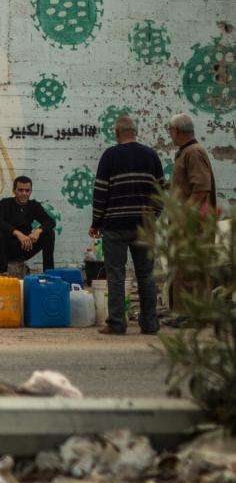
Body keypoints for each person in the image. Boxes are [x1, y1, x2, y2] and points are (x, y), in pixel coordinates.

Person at [91, 114, 164, 335]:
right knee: (146, 275)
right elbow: (160, 191)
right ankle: (150, 323)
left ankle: (116, 323)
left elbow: (101, 192)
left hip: (115, 225)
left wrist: (96, 222)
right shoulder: (151, 156)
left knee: (116, 274)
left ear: (116, 133)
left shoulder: (110, 156)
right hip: (144, 226)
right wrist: (154, 217)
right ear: (135, 132)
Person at [166, 112, 219, 316]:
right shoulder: (185, 152)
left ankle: (191, 315)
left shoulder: (194, 153)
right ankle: (181, 313)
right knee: (182, 269)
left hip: (193, 225)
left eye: (170, 130)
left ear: (177, 131)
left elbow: (201, 189)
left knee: (191, 270)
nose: (170, 134)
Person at [0, 176, 56, 277]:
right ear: (14, 190)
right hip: (5, 249)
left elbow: (50, 221)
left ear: (31, 191)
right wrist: (17, 233)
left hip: (24, 247)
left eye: (27, 190)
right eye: (20, 190)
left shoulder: (34, 205)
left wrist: (38, 231)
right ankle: (3, 272)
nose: (24, 193)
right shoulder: (5, 203)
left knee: (49, 233)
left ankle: (49, 274)